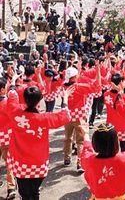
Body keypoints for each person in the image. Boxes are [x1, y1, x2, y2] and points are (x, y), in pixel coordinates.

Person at [6, 70, 74, 200]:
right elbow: (64, 116)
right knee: (35, 191)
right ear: (39, 101)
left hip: (20, 162)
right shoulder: (44, 118)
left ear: (24, 99)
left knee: (25, 193)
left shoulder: (15, 112)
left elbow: (12, 96)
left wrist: (14, 81)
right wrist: (64, 99)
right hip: (38, 162)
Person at [0, 78, 16, 199]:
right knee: (9, 163)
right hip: (6, 137)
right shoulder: (6, 103)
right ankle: (11, 187)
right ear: (2, 90)